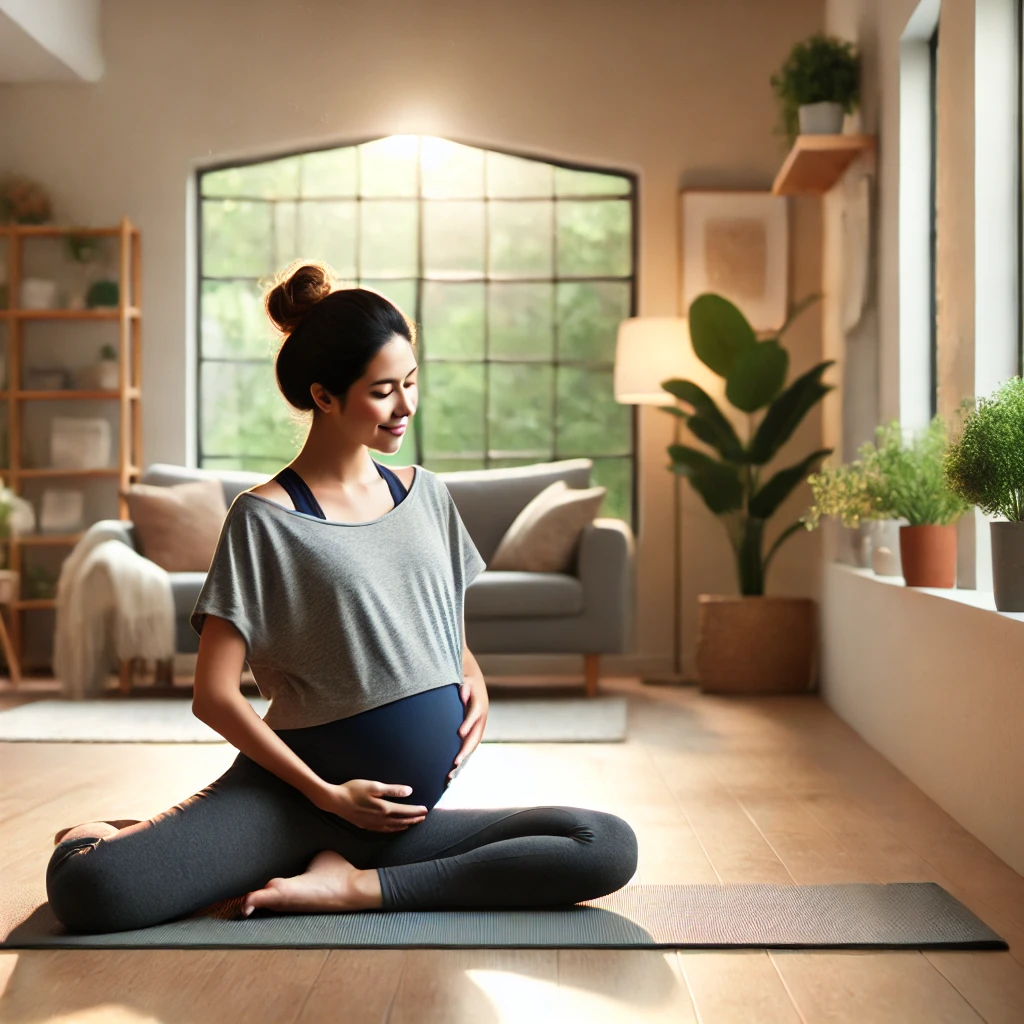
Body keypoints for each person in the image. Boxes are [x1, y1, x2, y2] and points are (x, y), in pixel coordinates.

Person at [45, 260, 638, 934]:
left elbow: (442, 628)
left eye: (411, 383)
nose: (406, 407)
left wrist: (474, 679)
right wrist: (325, 793)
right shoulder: (264, 518)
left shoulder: (428, 495)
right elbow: (213, 694)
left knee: (604, 844)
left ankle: (356, 887)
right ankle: (119, 832)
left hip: (391, 823)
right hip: (292, 803)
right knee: (91, 890)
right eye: (383, 390)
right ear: (324, 396)